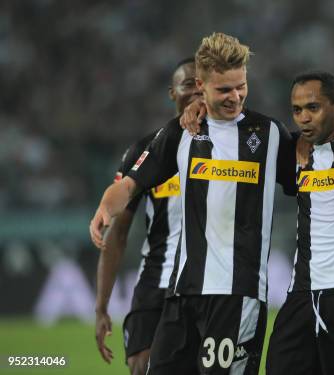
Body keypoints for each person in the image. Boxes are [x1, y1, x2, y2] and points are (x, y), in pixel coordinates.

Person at [90, 32, 296, 374]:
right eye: (224, 90)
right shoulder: (180, 132)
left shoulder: (270, 133)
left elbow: (310, 172)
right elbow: (129, 185)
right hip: (182, 293)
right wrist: (104, 208)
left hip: (238, 295)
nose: (236, 97)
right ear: (201, 85)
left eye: (241, 86)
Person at [94, 57, 199, 375]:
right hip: (157, 279)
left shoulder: (229, 146)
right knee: (142, 366)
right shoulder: (146, 152)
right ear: (172, 93)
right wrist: (101, 307)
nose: (194, 92)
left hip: (206, 281)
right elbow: (118, 234)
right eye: (187, 85)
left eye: (200, 84)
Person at [266, 71, 334, 375]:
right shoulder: (291, 152)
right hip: (300, 296)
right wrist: (199, 108)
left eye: (313, 108)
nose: (303, 118)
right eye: (297, 110)